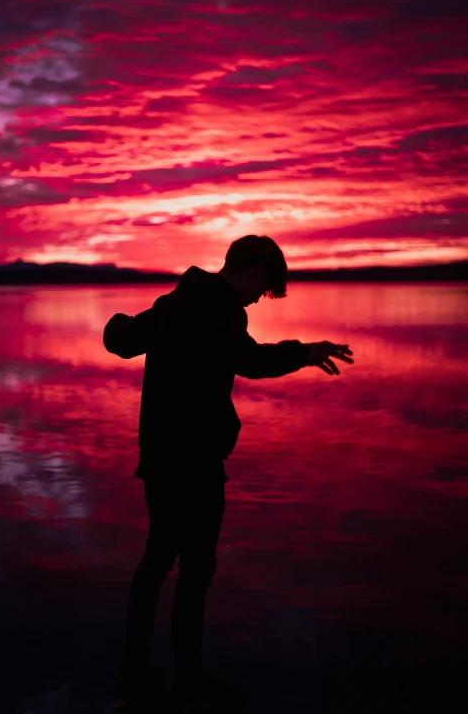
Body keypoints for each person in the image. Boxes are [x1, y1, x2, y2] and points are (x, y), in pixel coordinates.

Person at [102, 234, 354, 711]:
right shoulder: (218, 307)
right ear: (256, 271)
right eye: (263, 290)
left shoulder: (178, 301)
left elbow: (122, 340)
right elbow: (251, 361)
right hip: (194, 461)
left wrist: (118, 321)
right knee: (195, 570)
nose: (259, 299)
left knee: (157, 561)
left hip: (160, 457)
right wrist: (305, 351)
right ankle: (188, 678)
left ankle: (136, 673)